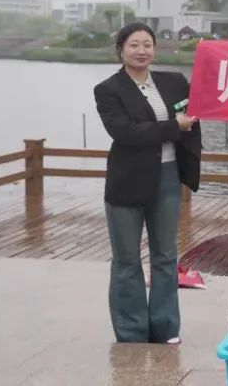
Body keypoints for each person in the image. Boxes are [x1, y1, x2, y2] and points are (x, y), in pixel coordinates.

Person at [94, 22, 202, 344]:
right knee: (127, 260)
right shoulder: (108, 89)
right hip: (127, 182)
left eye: (147, 44)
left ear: (155, 49)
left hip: (168, 179)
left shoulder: (173, 82)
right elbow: (126, 132)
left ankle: (166, 328)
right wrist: (173, 127)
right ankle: (131, 331)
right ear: (121, 50)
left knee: (165, 257)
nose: (142, 51)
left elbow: (201, 103)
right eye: (134, 45)